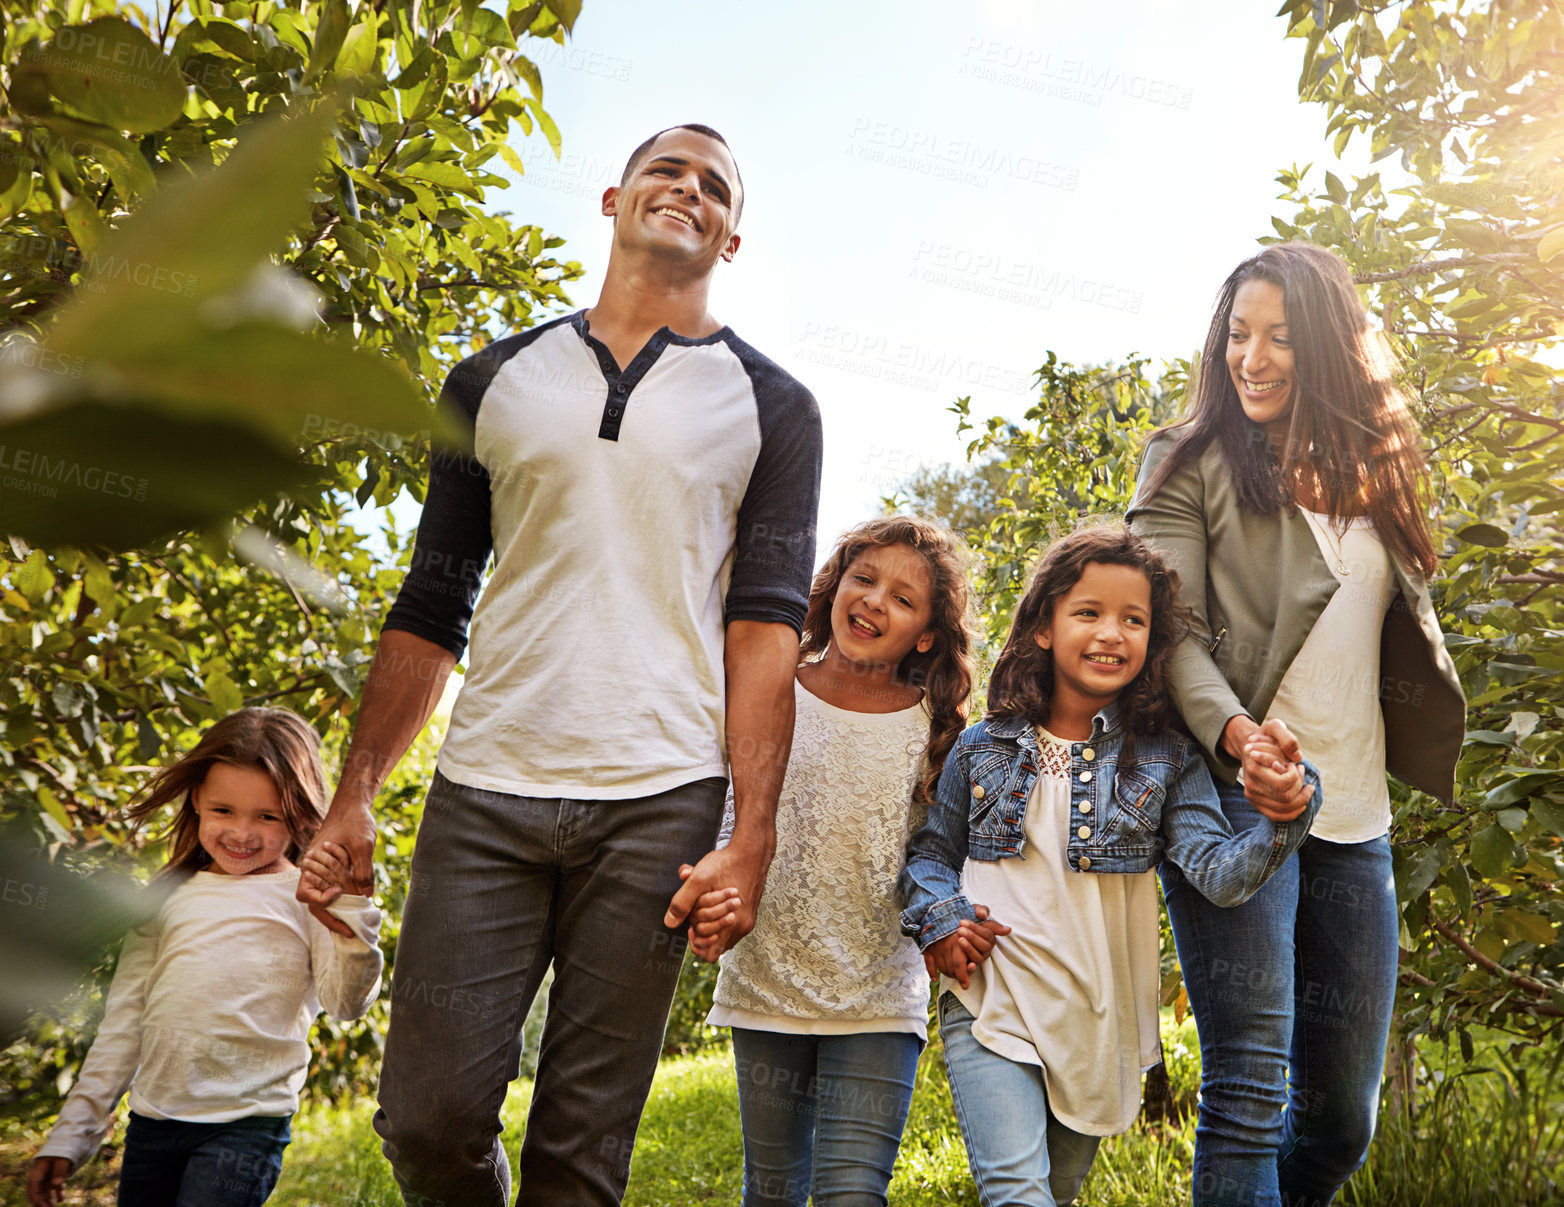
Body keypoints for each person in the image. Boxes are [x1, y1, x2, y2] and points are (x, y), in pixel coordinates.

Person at [294, 123, 823, 1207]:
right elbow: (430, 604)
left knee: (581, 1156)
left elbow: (765, 625)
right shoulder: (489, 379)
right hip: (485, 787)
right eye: (665, 170)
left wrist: (752, 834)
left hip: (660, 799)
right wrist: (354, 797)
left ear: (731, 238)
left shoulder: (775, 409)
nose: (686, 189)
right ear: (611, 198)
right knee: (427, 1119)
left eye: (713, 186)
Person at [1126, 242, 1466, 1207]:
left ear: (1327, 345)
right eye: (1237, 335)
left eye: (1279, 337)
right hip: (1235, 803)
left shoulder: (1376, 471)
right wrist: (1240, 742)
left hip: (1355, 822)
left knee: (1337, 1119)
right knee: (1245, 1090)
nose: (1252, 358)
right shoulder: (1187, 460)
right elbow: (1167, 635)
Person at [899, 525, 1321, 1207]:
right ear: (1043, 626)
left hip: (1099, 1018)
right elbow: (930, 855)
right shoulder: (982, 747)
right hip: (993, 996)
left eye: (1133, 618)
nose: (1110, 632)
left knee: (1055, 1191)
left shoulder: (1166, 758)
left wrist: (1287, 812)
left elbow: (1216, 872)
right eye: (1088, 612)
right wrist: (941, 920)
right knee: (1017, 1192)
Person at [683, 516, 979, 1207]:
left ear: (928, 634)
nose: (876, 601)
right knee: (774, 1191)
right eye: (864, 579)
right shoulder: (768, 686)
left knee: (852, 1194)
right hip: (766, 978)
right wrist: (715, 897)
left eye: (904, 600)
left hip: (877, 991)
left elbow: (934, 858)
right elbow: (728, 816)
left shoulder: (935, 729)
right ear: (834, 585)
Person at [27, 708, 382, 1207]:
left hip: (248, 1124)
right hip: (153, 1121)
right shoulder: (165, 899)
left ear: (300, 814)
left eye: (267, 816)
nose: (242, 833)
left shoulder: (307, 897)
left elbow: (346, 1004)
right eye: (223, 811)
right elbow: (124, 1022)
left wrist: (351, 916)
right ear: (196, 800)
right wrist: (72, 1134)